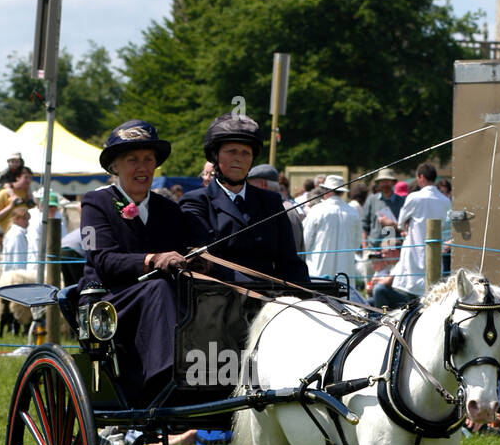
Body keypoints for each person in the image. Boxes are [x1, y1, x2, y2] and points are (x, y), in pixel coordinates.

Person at [79, 119, 193, 403]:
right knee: (158, 289)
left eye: (148, 160)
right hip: (109, 302)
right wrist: (154, 259)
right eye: (132, 160)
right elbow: (102, 260)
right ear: (114, 167)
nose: (142, 168)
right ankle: (166, 377)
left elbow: (180, 253)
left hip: (160, 301)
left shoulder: (169, 209)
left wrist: (195, 261)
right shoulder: (95, 204)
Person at [181, 114, 308, 288]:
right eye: (231, 151)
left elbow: (290, 262)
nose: (239, 158)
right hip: (216, 296)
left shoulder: (271, 202)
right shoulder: (196, 202)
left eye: (245, 153)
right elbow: (200, 261)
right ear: (215, 155)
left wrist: (306, 295)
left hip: (270, 298)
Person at [377, 161, 450, 299]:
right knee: (431, 291)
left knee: (410, 294)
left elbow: (400, 223)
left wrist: (392, 223)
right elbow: (447, 228)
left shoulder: (414, 197)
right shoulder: (445, 200)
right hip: (435, 254)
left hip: (414, 254)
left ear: (421, 177)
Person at [302, 175, 362, 281]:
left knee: (318, 297)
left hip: (318, 272)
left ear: (326, 192)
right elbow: (357, 245)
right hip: (345, 275)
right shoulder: (353, 212)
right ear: (342, 192)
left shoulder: (316, 210)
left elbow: (305, 242)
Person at [1, 205, 31, 271]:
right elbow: (18, 258)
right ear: (16, 219)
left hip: (11, 272)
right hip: (16, 273)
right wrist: (21, 274)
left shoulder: (15, 232)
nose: (27, 222)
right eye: (24, 219)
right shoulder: (17, 234)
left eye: (28, 219)